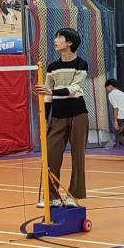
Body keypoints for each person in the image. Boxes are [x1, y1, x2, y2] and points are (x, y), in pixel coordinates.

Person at [33, 28, 89, 207]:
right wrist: (44, 119)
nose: (55, 40)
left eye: (60, 37)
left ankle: (73, 195)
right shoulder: (52, 67)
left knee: (78, 157)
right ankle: (53, 197)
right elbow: (47, 96)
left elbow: (74, 89)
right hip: (57, 116)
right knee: (51, 156)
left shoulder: (81, 64)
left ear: (69, 43)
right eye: (55, 37)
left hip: (78, 115)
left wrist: (52, 91)